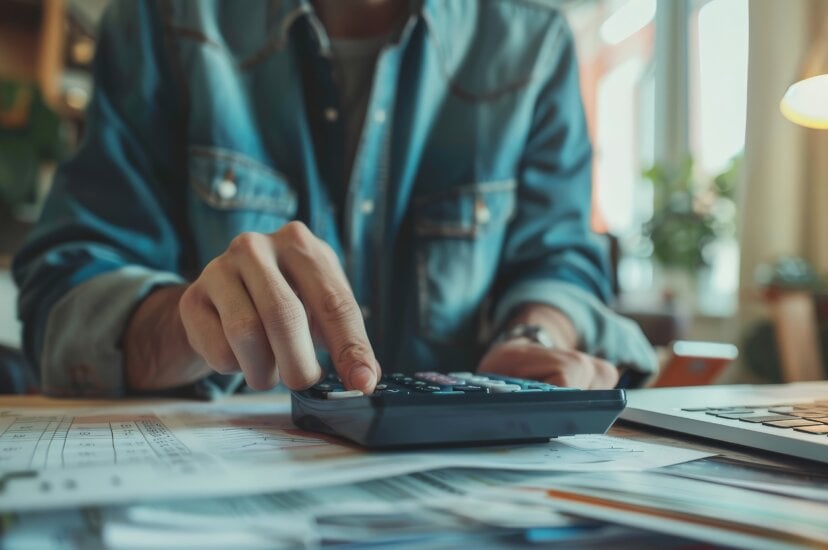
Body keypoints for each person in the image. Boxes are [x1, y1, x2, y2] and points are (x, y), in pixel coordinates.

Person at [13, 0, 656, 398]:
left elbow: (559, 262)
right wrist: (188, 325)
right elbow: (63, 302)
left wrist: (535, 334)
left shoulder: (535, 45)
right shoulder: (158, 23)